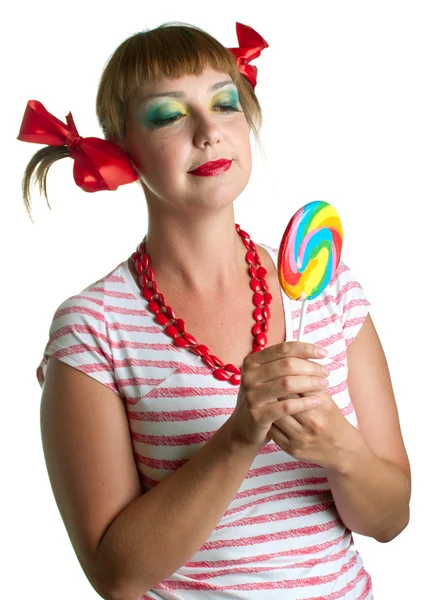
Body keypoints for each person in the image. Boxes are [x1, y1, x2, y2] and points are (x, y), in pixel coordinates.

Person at [19, 21, 410, 600]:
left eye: (225, 104)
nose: (208, 131)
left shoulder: (328, 292)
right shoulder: (94, 328)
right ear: (122, 151)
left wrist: (337, 447)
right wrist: (237, 436)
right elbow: (117, 576)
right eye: (168, 115)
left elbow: (389, 520)